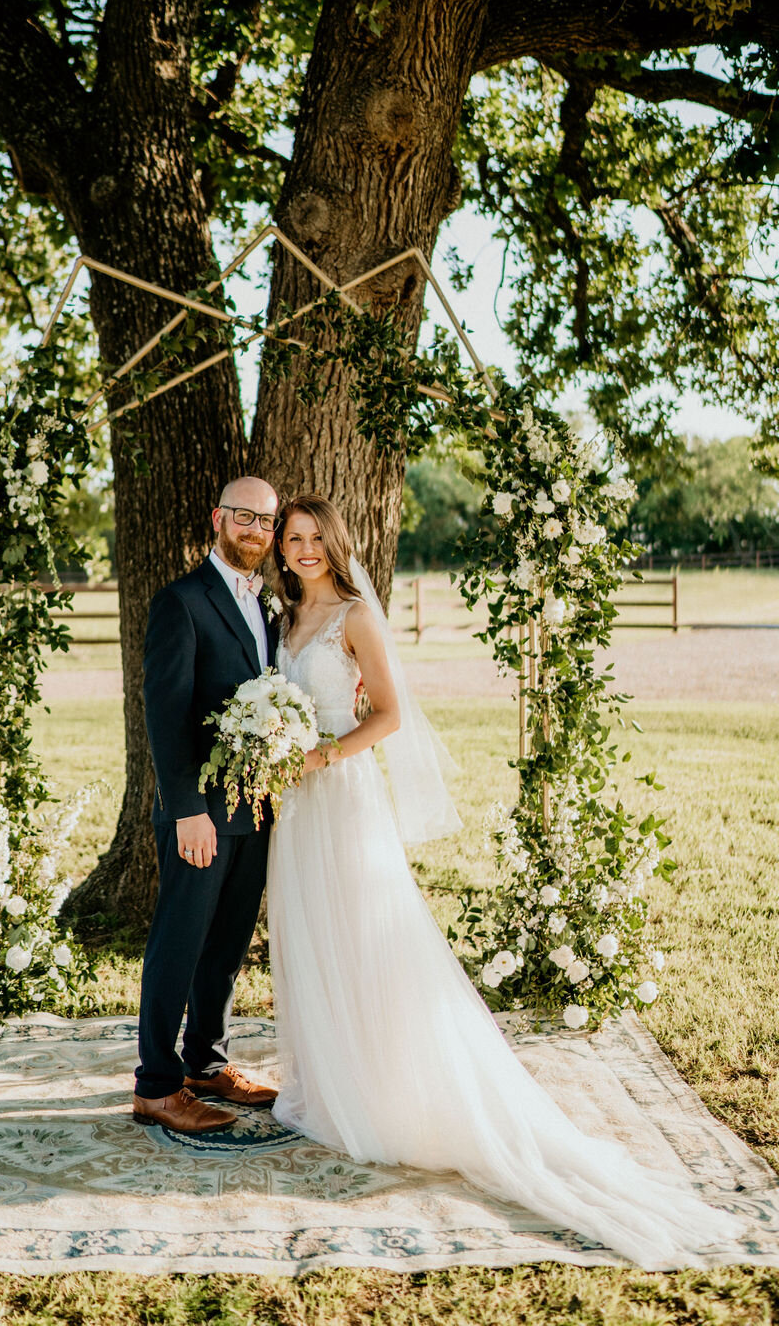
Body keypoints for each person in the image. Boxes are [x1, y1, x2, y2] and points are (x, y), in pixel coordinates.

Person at [266, 493, 745, 1268]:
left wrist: (320, 754)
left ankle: (384, 1084)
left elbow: (388, 714)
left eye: (317, 536)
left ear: (336, 541)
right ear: (282, 549)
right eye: (295, 537)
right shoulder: (281, 621)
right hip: (296, 807)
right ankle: (327, 1078)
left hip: (343, 795)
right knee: (310, 935)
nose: (306, 547)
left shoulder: (355, 615)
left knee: (363, 934)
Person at [133, 477, 281, 1133]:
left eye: (267, 522)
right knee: (180, 941)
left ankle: (206, 1061)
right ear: (218, 518)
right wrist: (188, 806)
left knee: (226, 945)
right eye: (245, 517)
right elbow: (164, 713)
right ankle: (157, 1085)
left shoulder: (269, 607)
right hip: (201, 811)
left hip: (255, 805)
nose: (256, 530)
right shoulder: (182, 602)